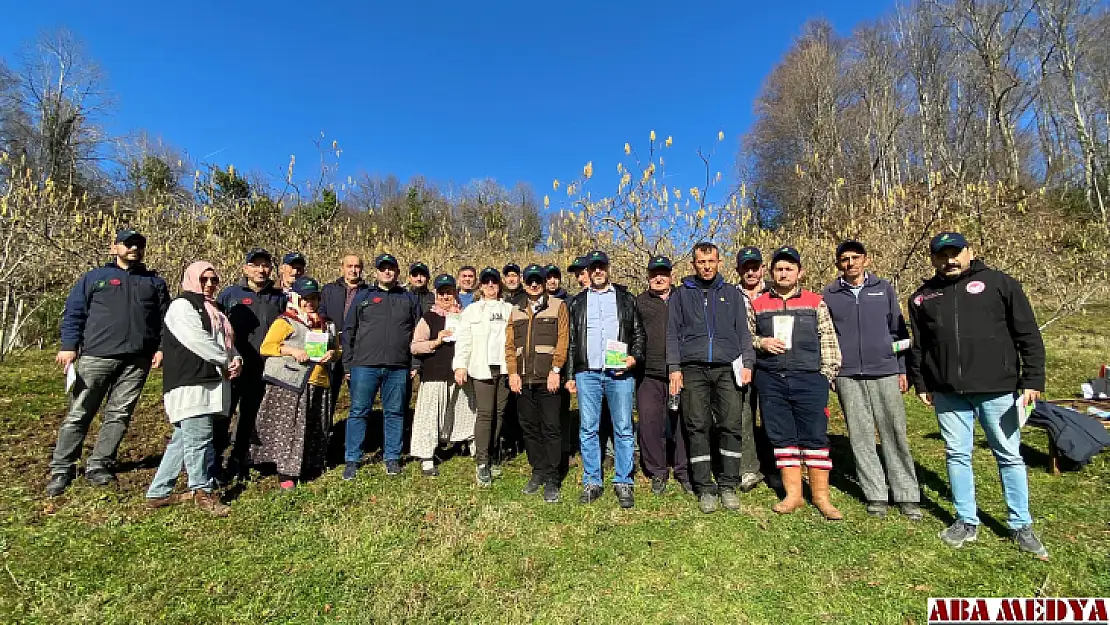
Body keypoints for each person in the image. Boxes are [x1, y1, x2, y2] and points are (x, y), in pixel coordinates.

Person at [908, 232, 1048, 559]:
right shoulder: (922, 297)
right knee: (957, 454)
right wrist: (922, 383)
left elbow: (1027, 333)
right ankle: (965, 520)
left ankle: (1020, 524)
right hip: (947, 391)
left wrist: (1033, 378)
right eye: (941, 256)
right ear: (932, 259)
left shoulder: (1000, 283)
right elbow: (918, 347)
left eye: (955, 253)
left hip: (997, 388)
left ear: (970, 252)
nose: (949, 260)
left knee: (1008, 454)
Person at [47, 229, 171, 497]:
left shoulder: (154, 283)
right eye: (128, 244)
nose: (134, 249)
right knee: (79, 413)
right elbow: (74, 313)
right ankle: (62, 467)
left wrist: (161, 348)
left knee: (119, 414)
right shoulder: (95, 278)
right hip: (96, 356)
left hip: (137, 360)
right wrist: (69, 346)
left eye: (139, 245)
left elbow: (165, 321)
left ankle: (99, 464)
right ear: (114, 248)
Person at [822, 240, 922, 520]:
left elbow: (899, 333)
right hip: (848, 374)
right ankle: (876, 494)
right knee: (861, 435)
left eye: (855, 258)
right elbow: (826, 336)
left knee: (894, 432)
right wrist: (831, 369)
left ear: (865, 259)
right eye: (844, 259)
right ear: (838, 263)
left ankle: (907, 494)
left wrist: (902, 369)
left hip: (885, 370)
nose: (850, 263)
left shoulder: (883, 288)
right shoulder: (829, 294)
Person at [749, 246, 843, 519]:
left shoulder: (815, 302)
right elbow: (747, 337)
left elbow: (828, 339)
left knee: (815, 436)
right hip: (772, 379)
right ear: (771, 272)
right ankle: (793, 495)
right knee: (782, 438)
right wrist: (761, 342)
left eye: (789, 268)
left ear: (799, 272)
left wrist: (826, 374)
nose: (784, 273)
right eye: (779, 269)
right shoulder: (759, 303)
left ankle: (821, 497)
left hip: (809, 378)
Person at [667, 243, 757, 513]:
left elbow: (743, 332)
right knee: (697, 425)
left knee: (731, 424)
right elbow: (672, 333)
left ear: (719, 262)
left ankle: (728, 484)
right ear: (693, 264)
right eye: (700, 261)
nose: (706, 266)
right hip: (693, 369)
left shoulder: (731, 294)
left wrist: (748, 363)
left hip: (727, 368)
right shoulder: (681, 295)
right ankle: (705, 486)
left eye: (711, 261)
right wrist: (674, 368)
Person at [146, 261, 237, 516]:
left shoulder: (214, 311)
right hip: (190, 382)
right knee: (198, 439)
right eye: (204, 279)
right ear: (191, 279)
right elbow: (198, 341)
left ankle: (159, 492)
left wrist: (235, 358)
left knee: (182, 440)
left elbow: (225, 342)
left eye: (213, 280)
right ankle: (202, 492)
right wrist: (226, 359)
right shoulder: (182, 306)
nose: (209, 284)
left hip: (209, 383)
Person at [566, 250, 645, 508]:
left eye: (601, 267)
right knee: (588, 428)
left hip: (618, 372)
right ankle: (592, 481)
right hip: (587, 373)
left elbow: (638, 334)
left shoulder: (625, 299)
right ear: (587, 271)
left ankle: (624, 481)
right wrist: (570, 375)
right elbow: (571, 343)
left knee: (623, 427)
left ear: (608, 269)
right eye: (593, 267)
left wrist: (634, 358)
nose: (598, 271)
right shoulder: (577, 303)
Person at [249, 277, 338, 490]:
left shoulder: (327, 324)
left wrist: (333, 354)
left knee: (315, 426)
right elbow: (266, 347)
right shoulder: (286, 322)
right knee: (289, 429)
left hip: (319, 381)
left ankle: (309, 464)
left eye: (314, 298)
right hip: (291, 382)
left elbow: (337, 349)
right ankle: (285, 472)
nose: (310, 303)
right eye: (306, 298)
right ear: (297, 298)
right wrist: (292, 351)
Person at [343, 253, 420, 480]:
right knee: (358, 411)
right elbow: (349, 331)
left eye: (391, 268)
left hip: (398, 366)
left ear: (397, 272)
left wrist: (415, 362)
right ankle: (352, 459)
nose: (387, 272)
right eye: (383, 268)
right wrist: (348, 363)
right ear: (376, 272)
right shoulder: (363, 296)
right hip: (364, 365)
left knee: (395, 413)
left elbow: (418, 331)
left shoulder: (408, 299)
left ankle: (392, 458)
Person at [217, 248, 288, 481]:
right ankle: (213, 460)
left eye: (265, 265)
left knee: (251, 415)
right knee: (224, 414)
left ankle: (240, 459)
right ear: (245, 268)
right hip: (234, 366)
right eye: (255, 265)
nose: (261, 269)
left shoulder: (279, 298)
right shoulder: (230, 295)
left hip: (265, 368)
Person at [506, 263, 570, 503]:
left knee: (551, 427)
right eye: (530, 281)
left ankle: (553, 476)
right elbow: (510, 345)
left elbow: (563, 339)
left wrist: (556, 369)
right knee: (529, 427)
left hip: (549, 378)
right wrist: (513, 373)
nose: (534, 285)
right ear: (524, 283)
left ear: (544, 283)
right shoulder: (515, 310)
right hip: (523, 379)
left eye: (538, 280)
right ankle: (538, 470)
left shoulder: (558, 306)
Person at [635, 256, 692, 495]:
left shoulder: (684, 298)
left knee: (682, 423)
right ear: (648, 277)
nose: (659, 278)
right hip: (649, 373)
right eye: (654, 274)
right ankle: (658, 471)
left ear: (671, 275)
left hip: (680, 372)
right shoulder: (639, 302)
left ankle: (683, 470)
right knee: (649, 423)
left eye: (664, 274)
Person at [453, 267, 514, 486]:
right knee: (485, 414)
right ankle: (481, 462)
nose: (490, 285)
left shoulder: (509, 309)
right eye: (486, 282)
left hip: (505, 369)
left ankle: (492, 454)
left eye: (494, 282)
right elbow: (464, 340)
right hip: (481, 369)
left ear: (500, 285)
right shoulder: (472, 310)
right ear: (481, 286)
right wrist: (460, 365)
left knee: (499, 413)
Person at [410, 275, 477, 476]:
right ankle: (427, 457)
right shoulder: (428, 318)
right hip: (435, 374)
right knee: (430, 416)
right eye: (442, 293)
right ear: (436, 295)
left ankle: (473, 449)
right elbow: (415, 347)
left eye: (449, 292)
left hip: (460, 373)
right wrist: (436, 342)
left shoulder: (464, 316)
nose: (446, 296)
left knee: (467, 413)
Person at [319, 254, 367, 418]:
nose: (354, 270)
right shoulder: (329, 290)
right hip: (331, 348)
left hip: (357, 351)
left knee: (359, 398)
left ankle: (355, 437)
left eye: (357, 266)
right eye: (350, 266)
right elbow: (321, 314)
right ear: (342, 268)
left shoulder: (368, 292)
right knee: (327, 396)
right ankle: (325, 434)